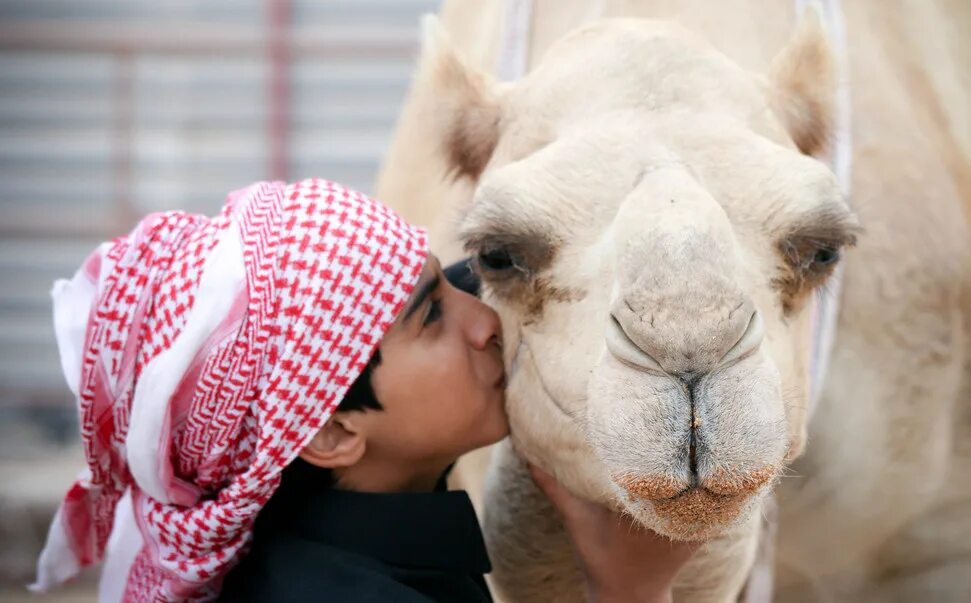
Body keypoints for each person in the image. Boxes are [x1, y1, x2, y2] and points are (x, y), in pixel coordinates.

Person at [31, 179, 697, 603]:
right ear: (329, 432)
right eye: (433, 313)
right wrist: (631, 589)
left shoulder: (328, 536)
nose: (485, 320)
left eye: (449, 282)